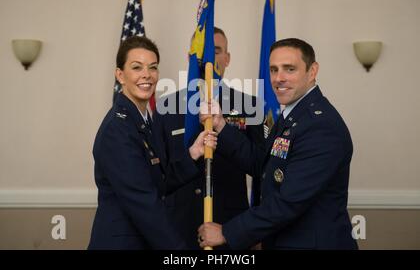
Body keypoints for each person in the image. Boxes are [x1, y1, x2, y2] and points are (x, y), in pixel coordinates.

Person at [198, 38, 358, 250]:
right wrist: (220, 125)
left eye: (289, 69)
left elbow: (289, 202)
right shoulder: (293, 116)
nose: (278, 78)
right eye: (274, 70)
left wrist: (228, 232)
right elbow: (262, 165)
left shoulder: (320, 126)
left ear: (312, 71)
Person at [88, 36, 217, 250]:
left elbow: (158, 182)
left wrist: (193, 153)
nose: (146, 75)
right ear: (120, 75)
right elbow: (144, 202)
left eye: (153, 67)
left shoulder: (144, 121)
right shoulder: (118, 130)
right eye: (137, 67)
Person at [153, 27, 265, 249]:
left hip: (230, 228)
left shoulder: (249, 106)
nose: (210, 59)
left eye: (217, 51)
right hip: (178, 230)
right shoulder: (166, 107)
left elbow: (259, 166)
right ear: (190, 57)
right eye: (202, 51)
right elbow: (158, 174)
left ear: (227, 58)